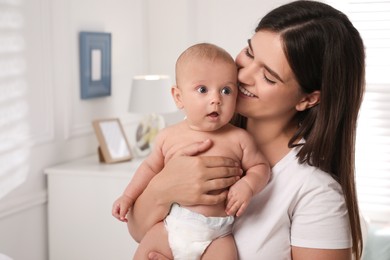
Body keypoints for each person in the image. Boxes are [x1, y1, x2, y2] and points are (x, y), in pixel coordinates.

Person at [126, 1, 366, 259]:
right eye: (250, 53)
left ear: (307, 99)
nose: (243, 76)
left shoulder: (315, 192)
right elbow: (139, 230)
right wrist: (164, 188)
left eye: (269, 77)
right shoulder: (195, 135)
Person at [112, 43, 270, 259]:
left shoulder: (239, 138)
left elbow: (260, 167)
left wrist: (248, 185)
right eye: (202, 89)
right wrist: (128, 196)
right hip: (171, 227)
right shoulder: (168, 136)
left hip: (218, 234)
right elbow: (148, 168)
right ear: (178, 97)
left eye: (226, 90)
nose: (216, 99)